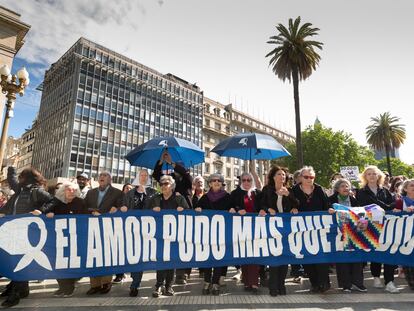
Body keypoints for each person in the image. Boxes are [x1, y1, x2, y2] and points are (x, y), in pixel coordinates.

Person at [0, 167, 53, 308]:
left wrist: (41, 211)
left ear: (28, 178)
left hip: (29, 233)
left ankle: (16, 293)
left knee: (20, 261)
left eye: (22, 176)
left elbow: (53, 202)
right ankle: (21, 289)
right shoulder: (20, 191)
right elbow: (12, 187)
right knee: (14, 260)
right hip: (14, 231)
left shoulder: (37, 191)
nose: (20, 179)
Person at [153, 150, 193, 284]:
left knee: (181, 243)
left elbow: (187, 175)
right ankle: (165, 276)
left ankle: (182, 274)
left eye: (177, 168)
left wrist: (171, 162)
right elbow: (157, 176)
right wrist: (161, 161)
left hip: (183, 214)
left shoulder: (186, 180)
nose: (174, 171)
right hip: (169, 216)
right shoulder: (170, 181)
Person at [356, 165, 398, 293]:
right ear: (365, 177)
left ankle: (390, 281)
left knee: (389, 251)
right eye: (369, 174)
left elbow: (393, 204)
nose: (372, 176)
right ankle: (376, 277)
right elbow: (365, 206)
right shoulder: (361, 192)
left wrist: (382, 206)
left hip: (387, 225)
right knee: (376, 251)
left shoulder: (385, 190)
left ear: (378, 175)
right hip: (371, 226)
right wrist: (383, 206)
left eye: (374, 173)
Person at [42, 181, 88, 297]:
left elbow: (86, 217)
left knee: (71, 262)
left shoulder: (80, 202)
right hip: (59, 238)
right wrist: (49, 214)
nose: (71, 191)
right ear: (63, 191)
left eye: (74, 189)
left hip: (75, 238)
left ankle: (69, 287)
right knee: (58, 262)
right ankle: (62, 287)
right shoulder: (57, 202)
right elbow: (45, 210)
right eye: (68, 189)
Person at [84, 171, 126, 295]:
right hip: (92, 228)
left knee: (107, 255)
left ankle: (106, 283)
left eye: (105, 175)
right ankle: (95, 285)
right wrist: (92, 212)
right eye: (100, 175)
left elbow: (122, 207)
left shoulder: (118, 193)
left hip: (108, 229)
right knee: (93, 256)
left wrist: (116, 209)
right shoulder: (90, 192)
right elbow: (84, 207)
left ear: (110, 180)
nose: (102, 177)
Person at [148, 175, 189, 298]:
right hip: (159, 234)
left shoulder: (179, 198)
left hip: (174, 234)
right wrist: (152, 210)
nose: (164, 186)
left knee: (171, 260)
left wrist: (183, 210)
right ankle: (159, 285)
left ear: (172, 185)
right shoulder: (155, 198)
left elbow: (189, 213)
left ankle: (169, 286)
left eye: (166, 183)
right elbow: (145, 214)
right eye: (162, 184)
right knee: (161, 260)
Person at [292, 166, 331, 293]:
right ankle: (314, 283)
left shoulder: (319, 189)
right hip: (302, 230)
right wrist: (292, 209)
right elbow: (289, 205)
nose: (309, 179)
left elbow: (327, 205)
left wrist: (329, 209)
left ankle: (324, 283)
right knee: (307, 257)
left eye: (311, 177)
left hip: (319, 229)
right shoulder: (294, 190)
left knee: (321, 257)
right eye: (306, 177)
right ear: (300, 178)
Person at [261, 166, 299, 296]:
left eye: (283, 175)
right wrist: (267, 209)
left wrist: (290, 198)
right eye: (279, 174)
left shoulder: (290, 190)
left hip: (286, 229)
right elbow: (260, 205)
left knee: (284, 258)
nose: (282, 176)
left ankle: (281, 285)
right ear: (273, 177)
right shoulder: (267, 189)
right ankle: (273, 287)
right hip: (271, 229)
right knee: (274, 257)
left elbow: (298, 204)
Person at [195, 173, 233, 295]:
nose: (216, 182)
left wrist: (234, 209)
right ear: (210, 183)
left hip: (222, 234)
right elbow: (196, 208)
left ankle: (215, 283)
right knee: (207, 258)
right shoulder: (205, 198)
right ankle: (207, 281)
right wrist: (197, 209)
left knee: (218, 258)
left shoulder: (228, 197)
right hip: (207, 234)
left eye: (219, 180)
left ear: (222, 183)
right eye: (213, 180)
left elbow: (235, 207)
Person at [328, 178, 367, 293]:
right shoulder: (331, 200)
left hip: (354, 232)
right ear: (337, 189)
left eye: (347, 186)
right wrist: (329, 210)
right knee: (343, 258)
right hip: (339, 233)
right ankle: (346, 285)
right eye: (342, 186)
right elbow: (326, 210)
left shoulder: (354, 200)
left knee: (357, 257)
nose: (345, 188)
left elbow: (361, 213)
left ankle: (358, 283)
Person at [122, 169, 156, 296]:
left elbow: (158, 205)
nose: (143, 177)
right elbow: (124, 206)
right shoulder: (130, 193)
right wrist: (123, 208)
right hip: (131, 229)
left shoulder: (153, 193)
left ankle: (135, 284)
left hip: (147, 230)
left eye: (146, 175)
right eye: (141, 175)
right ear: (138, 177)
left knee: (140, 257)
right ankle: (133, 279)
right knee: (132, 255)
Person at [230, 172, 264, 294]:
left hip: (256, 228)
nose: (246, 182)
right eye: (243, 180)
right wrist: (237, 209)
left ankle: (254, 283)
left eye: (249, 180)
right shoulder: (235, 193)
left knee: (254, 255)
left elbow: (264, 206)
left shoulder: (258, 193)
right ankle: (246, 281)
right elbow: (231, 206)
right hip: (241, 228)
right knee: (244, 254)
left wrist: (262, 210)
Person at [392, 179, 414, 289]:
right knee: (408, 262)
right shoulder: (400, 202)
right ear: (405, 189)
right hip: (405, 237)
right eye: (412, 185)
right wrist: (396, 212)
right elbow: (393, 215)